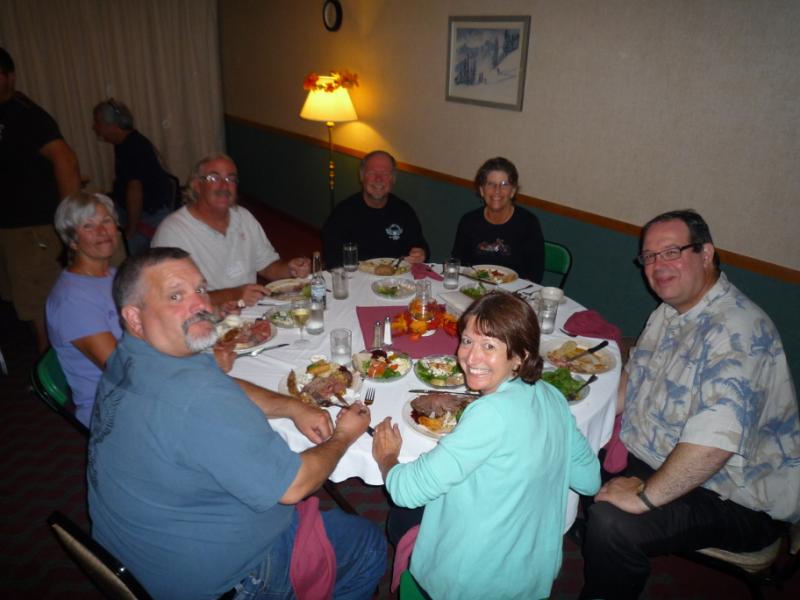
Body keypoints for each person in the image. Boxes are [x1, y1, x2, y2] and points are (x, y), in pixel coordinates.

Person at [87, 247, 386, 599]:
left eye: (200, 289)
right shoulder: (196, 399)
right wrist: (343, 436)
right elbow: (294, 486)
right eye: (175, 296)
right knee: (368, 544)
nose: (199, 304)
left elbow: (218, 382)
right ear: (135, 318)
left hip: (141, 555)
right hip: (223, 579)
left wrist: (292, 407)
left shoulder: (131, 357)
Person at [580, 210, 800, 599]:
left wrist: (644, 496)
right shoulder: (669, 312)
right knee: (564, 453)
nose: (657, 266)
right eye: (649, 256)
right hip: (657, 454)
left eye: (671, 252)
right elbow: (632, 380)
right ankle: (594, 552)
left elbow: (714, 446)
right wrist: (579, 415)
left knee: (612, 523)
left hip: (733, 494)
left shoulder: (737, 331)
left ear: (706, 254)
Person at [372, 292, 600, 599]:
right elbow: (589, 480)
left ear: (521, 356)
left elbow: (406, 490)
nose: (470, 357)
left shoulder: (491, 414)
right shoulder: (552, 395)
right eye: (467, 341)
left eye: (489, 346)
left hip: (474, 583)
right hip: (531, 577)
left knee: (399, 518)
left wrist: (387, 457)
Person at [0, 47, 81, 353]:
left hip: (33, 227)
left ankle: (55, 365)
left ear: (10, 77)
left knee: (42, 301)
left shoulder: (26, 114)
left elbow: (66, 160)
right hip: (11, 228)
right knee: (27, 301)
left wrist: (70, 222)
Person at [152, 153, 310, 307]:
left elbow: (268, 266)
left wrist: (290, 269)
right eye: (214, 178)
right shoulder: (172, 232)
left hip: (248, 314)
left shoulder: (243, 217)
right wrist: (235, 294)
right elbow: (175, 299)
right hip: (203, 317)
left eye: (231, 179)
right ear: (197, 185)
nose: (224, 186)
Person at [46, 192, 123, 426]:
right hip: (114, 408)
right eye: (88, 226)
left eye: (106, 220)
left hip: (139, 389)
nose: (102, 231)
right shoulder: (72, 299)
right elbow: (120, 369)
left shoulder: (114, 275)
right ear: (72, 240)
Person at [92, 99, 175, 255]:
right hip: (140, 212)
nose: (94, 127)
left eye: (97, 122)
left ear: (112, 125)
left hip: (150, 216)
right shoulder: (126, 143)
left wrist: (131, 230)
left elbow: (135, 191)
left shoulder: (133, 147)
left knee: (116, 250)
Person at [322, 150, 429, 267]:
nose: (378, 179)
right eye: (372, 173)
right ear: (362, 177)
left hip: (396, 276)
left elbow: (421, 246)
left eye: (385, 173)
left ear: (393, 179)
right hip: (356, 276)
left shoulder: (404, 211)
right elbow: (332, 259)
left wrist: (421, 253)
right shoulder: (343, 213)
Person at [451, 157, 545, 282]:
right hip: (475, 288)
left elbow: (535, 275)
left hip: (514, 291)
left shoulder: (528, 223)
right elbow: (459, 265)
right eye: (491, 184)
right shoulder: (469, 221)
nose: (497, 191)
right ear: (481, 190)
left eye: (504, 184)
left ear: (513, 191)